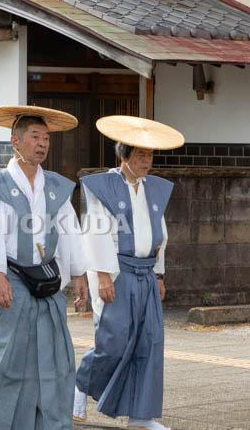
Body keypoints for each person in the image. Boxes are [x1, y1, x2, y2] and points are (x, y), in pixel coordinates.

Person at [0, 106, 89, 430]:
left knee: (54, 358)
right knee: (4, 357)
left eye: (46, 138)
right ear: (16, 142)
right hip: (11, 278)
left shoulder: (55, 186)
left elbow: (69, 230)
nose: (42, 144)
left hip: (46, 279)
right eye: (34, 137)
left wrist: (79, 273)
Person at [73, 116, 183, 430]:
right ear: (124, 156)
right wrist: (104, 275)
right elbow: (96, 232)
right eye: (139, 155)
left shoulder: (154, 190)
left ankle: (140, 414)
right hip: (116, 272)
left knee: (149, 341)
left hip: (146, 273)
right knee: (114, 340)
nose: (146, 161)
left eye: (149, 155)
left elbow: (159, 234)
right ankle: (80, 385)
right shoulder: (105, 186)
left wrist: (160, 275)